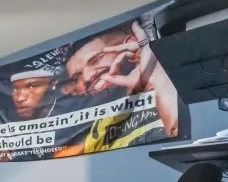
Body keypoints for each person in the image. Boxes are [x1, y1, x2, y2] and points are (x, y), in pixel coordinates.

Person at [56, 20, 182, 158]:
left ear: (130, 43)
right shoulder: (96, 135)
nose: (86, 77)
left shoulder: (177, 73)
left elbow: (184, 138)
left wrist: (155, 76)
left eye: (96, 59)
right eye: (77, 77)